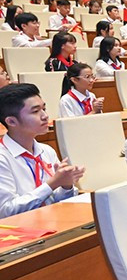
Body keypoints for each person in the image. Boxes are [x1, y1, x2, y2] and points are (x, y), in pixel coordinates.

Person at [0, 83, 85, 217]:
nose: (45, 116)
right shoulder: (2, 158)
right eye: (35, 111)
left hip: (53, 222)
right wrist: (52, 183)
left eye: (44, 108)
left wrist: (66, 185)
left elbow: (57, 201)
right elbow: (6, 211)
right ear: (11, 121)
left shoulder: (46, 150)